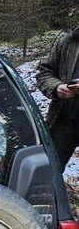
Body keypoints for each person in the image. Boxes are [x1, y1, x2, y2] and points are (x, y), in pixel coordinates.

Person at [36, 26, 79, 172]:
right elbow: (44, 72)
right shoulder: (68, 41)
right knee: (48, 172)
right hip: (63, 120)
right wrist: (56, 87)